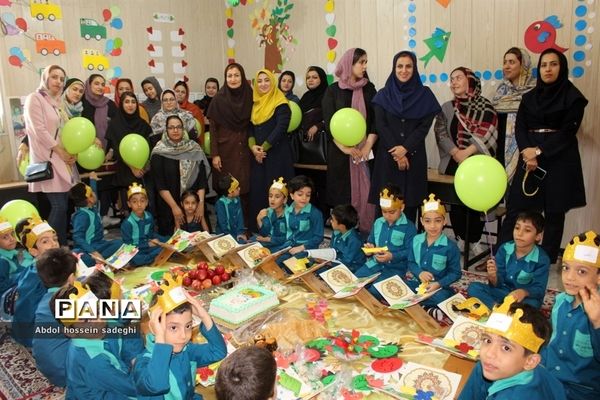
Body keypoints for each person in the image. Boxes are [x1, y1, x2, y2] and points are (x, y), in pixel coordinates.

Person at [499, 49, 588, 264]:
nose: (548, 69)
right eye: (544, 65)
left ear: (562, 67)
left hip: (559, 159)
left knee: (555, 212)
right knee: (515, 209)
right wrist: (528, 154)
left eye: (553, 64)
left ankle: (544, 262)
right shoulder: (529, 98)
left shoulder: (573, 97)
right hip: (529, 159)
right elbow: (520, 128)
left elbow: (568, 132)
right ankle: (502, 256)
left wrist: (538, 151)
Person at [369, 51, 441, 223]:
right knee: (386, 204)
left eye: (408, 66)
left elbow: (424, 128)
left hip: (413, 159)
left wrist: (405, 149)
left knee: (409, 206)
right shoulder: (383, 94)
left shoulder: (425, 95)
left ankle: (407, 247)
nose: (404, 70)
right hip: (387, 159)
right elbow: (381, 126)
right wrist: (397, 152)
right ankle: (381, 244)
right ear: (394, 69)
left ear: (414, 68)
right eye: (399, 66)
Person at [434, 67, 498, 250]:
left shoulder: (486, 107)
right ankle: (461, 237)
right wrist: (455, 152)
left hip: (477, 166)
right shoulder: (447, 107)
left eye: (458, 78)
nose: (454, 82)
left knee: (474, 204)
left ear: (470, 81)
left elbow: (488, 133)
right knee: (455, 203)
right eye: (452, 79)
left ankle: (475, 240)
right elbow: (440, 132)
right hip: (453, 164)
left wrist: (467, 152)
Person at [134, 274, 227, 399]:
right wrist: (160, 339)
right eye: (173, 328)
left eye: (188, 326)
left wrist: (205, 317)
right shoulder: (143, 364)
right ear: (155, 327)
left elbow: (218, 352)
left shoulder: (186, 350)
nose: (184, 336)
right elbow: (157, 385)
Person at [459, 296, 566, 400]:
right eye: (488, 341)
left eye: (506, 348)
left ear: (530, 361)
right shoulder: (534, 370)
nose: (489, 353)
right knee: (481, 367)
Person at [59, 273, 142, 399]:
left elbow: (118, 323)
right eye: (86, 320)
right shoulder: (95, 362)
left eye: (98, 311)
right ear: (70, 332)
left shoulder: (91, 334)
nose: (98, 320)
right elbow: (135, 388)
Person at [322, 48, 377, 235]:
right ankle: (342, 238)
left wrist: (367, 146)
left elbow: (375, 121)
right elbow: (329, 123)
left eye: (365, 62)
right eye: (361, 62)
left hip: (365, 152)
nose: (364, 66)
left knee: (367, 194)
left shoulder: (369, 89)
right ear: (349, 64)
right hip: (340, 154)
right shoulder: (333, 90)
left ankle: (364, 235)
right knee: (342, 198)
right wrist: (345, 148)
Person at [541, 231, 600, 399]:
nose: (569, 277)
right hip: (551, 377)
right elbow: (552, 342)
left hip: (582, 391)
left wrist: (597, 323)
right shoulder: (560, 301)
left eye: (581, 271)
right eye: (566, 268)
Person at [24, 65, 77, 246]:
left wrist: (70, 152)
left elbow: (66, 131)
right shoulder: (35, 98)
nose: (58, 81)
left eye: (62, 79)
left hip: (60, 159)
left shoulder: (57, 102)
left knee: (63, 207)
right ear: (45, 78)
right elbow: (38, 130)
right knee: (58, 206)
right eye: (54, 77)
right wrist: (60, 150)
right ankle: (45, 246)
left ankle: (60, 246)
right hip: (47, 159)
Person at [468, 211, 550, 309]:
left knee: (532, 305)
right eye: (517, 228)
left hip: (523, 299)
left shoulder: (542, 259)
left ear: (538, 236)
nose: (519, 234)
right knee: (474, 288)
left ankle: (505, 311)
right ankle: (497, 309)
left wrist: (523, 292)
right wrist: (493, 277)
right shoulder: (505, 249)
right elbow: (497, 284)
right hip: (503, 292)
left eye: (527, 230)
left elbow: (539, 289)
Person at [207, 63, 253, 228]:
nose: (233, 79)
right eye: (229, 76)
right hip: (225, 151)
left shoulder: (250, 96)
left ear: (242, 77)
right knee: (227, 190)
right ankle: (224, 229)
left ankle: (245, 228)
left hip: (245, 149)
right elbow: (212, 129)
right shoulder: (219, 99)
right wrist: (215, 154)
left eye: (236, 75)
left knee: (245, 189)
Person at [248, 69, 293, 232]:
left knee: (277, 192)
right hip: (259, 157)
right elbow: (250, 129)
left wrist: (264, 148)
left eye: (267, 80)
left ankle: (281, 231)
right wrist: (254, 148)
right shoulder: (255, 104)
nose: (263, 84)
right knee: (260, 191)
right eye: (259, 81)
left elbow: (281, 127)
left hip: (277, 155)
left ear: (273, 82)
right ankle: (260, 229)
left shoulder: (281, 102)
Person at [354, 184, 417, 297]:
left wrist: (392, 256)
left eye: (392, 212)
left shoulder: (409, 227)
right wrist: (369, 248)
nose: (387, 215)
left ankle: (375, 286)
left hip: (395, 267)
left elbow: (410, 251)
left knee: (375, 291)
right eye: (384, 211)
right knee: (355, 281)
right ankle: (370, 285)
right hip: (375, 263)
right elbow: (371, 241)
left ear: (401, 207)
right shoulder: (378, 222)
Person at [151, 115, 209, 235]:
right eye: (171, 128)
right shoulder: (159, 151)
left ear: (183, 129)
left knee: (200, 242)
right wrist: (174, 207)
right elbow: (160, 184)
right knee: (172, 244)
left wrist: (201, 204)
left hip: (194, 205)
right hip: (168, 207)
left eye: (178, 127)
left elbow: (201, 179)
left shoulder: (194, 148)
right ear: (166, 130)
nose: (175, 130)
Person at [407, 194, 461, 317]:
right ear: (421, 221)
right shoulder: (416, 240)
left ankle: (419, 306)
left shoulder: (450, 246)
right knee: (401, 287)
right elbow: (411, 262)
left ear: (444, 221)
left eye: (437, 221)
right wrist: (419, 273)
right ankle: (427, 308)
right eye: (427, 221)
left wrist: (438, 284)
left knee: (443, 297)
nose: (432, 226)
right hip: (419, 285)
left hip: (439, 288)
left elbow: (456, 273)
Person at [32, 248, 77, 388]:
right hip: (67, 373)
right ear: (71, 278)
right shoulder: (67, 303)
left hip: (48, 366)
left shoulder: (46, 300)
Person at [12, 217, 59, 347]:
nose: (54, 244)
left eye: (55, 239)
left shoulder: (48, 264)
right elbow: (28, 309)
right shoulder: (35, 275)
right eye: (45, 241)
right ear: (34, 251)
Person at [491, 47, 535, 183]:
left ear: (523, 65)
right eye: (505, 62)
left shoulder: (534, 90)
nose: (507, 66)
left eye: (512, 62)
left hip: (526, 149)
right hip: (501, 148)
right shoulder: (501, 90)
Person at [106, 91, 153, 215]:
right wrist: (133, 167)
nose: (130, 105)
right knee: (129, 193)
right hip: (125, 168)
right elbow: (117, 149)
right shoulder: (115, 125)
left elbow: (149, 148)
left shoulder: (143, 125)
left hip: (143, 169)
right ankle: (129, 221)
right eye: (126, 102)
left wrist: (144, 166)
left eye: (133, 102)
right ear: (121, 104)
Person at [69, 176, 123, 266]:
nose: (94, 193)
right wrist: (93, 252)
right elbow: (78, 237)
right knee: (77, 255)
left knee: (120, 243)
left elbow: (93, 192)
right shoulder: (82, 216)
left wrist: (92, 179)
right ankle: (99, 261)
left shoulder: (92, 208)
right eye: (92, 193)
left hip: (99, 245)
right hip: (86, 249)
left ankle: (100, 261)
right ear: (89, 199)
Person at [297, 66, 329, 215]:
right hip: (305, 150)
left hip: (321, 149)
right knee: (306, 185)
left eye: (314, 77)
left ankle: (321, 217)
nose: (311, 80)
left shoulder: (328, 95)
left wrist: (318, 126)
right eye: (308, 77)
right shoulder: (305, 97)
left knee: (322, 186)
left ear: (321, 79)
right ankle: (307, 216)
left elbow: (331, 117)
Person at [121, 183, 168, 267]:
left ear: (146, 202)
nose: (139, 205)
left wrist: (162, 241)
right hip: (136, 250)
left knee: (165, 245)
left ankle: (151, 258)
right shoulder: (127, 224)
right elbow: (127, 246)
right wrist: (147, 244)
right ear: (129, 204)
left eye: (142, 201)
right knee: (135, 259)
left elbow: (151, 234)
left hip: (149, 247)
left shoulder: (149, 216)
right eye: (134, 202)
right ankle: (151, 258)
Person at [282, 175, 324, 259]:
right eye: (300, 194)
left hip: (307, 250)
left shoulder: (315, 213)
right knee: (273, 260)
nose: (304, 198)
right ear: (292, 195)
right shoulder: (287, 211)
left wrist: (301, 247)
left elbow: (318, 237)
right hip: (290, 246)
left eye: (308, 195)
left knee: (293, 267)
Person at [0, 217, 33, 320]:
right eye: (5, 237)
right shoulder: (2, 261)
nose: (11, 239)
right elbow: (1, 287)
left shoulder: (18, 252)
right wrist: (22, 274)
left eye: (12, 234)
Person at [82, 74, 117, 149]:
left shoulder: (110, 104)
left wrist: (112, 150)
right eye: (96, 84)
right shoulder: (80, 103)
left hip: (106, 150)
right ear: (89, 85)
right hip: (83, 149)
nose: (100, 87)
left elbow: (116, 129)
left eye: (103, 84)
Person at [329, 204, 365, 272]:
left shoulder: (354, 241)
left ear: (341, 225)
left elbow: (347, 261)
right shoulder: (336, 232)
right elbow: (332, 250)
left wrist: (329, 263)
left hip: (352, 267)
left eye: (333, 220)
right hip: (337, 261)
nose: (331, 221)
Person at [257, 177, 288, 253]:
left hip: (283, 245)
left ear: (284, 200)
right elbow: (264, 233)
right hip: (269, 243)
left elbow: (289, 238)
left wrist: (269, 239)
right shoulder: (268, 211)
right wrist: (260, 220)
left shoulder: (289, 215)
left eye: (277, 197)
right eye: (270, 196)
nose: (272, 199)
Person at [215, 175, 246, 241]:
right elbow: (223, 224)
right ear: (230, 193)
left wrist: (240, 232)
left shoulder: (237, 199)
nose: (239, 188)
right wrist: (232, 238)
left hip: (236, 233)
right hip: (224, 234)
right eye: (237, 188)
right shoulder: (220, 203)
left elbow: (240, 218)